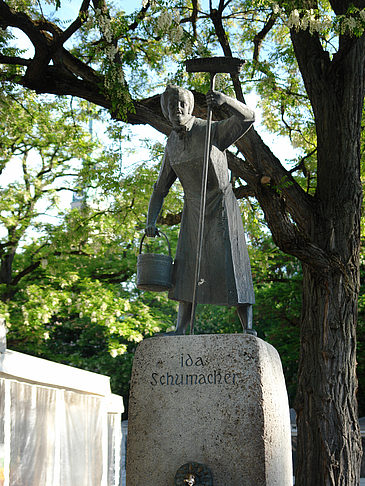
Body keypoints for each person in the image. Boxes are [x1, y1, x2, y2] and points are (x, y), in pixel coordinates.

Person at [145, 84, 255, 335]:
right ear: (166, 112)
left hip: (221, 203)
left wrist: (225, 101)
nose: (179, 109)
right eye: (173, 106)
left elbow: (248, 117)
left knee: (231, 262)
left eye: (183, 104)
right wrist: (151, 220)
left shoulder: (211, 130)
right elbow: (160, 188)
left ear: (191, 106)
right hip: (193, 208)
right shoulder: (171, 144)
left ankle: (247, 326)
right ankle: (181, 327)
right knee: (186, 266)